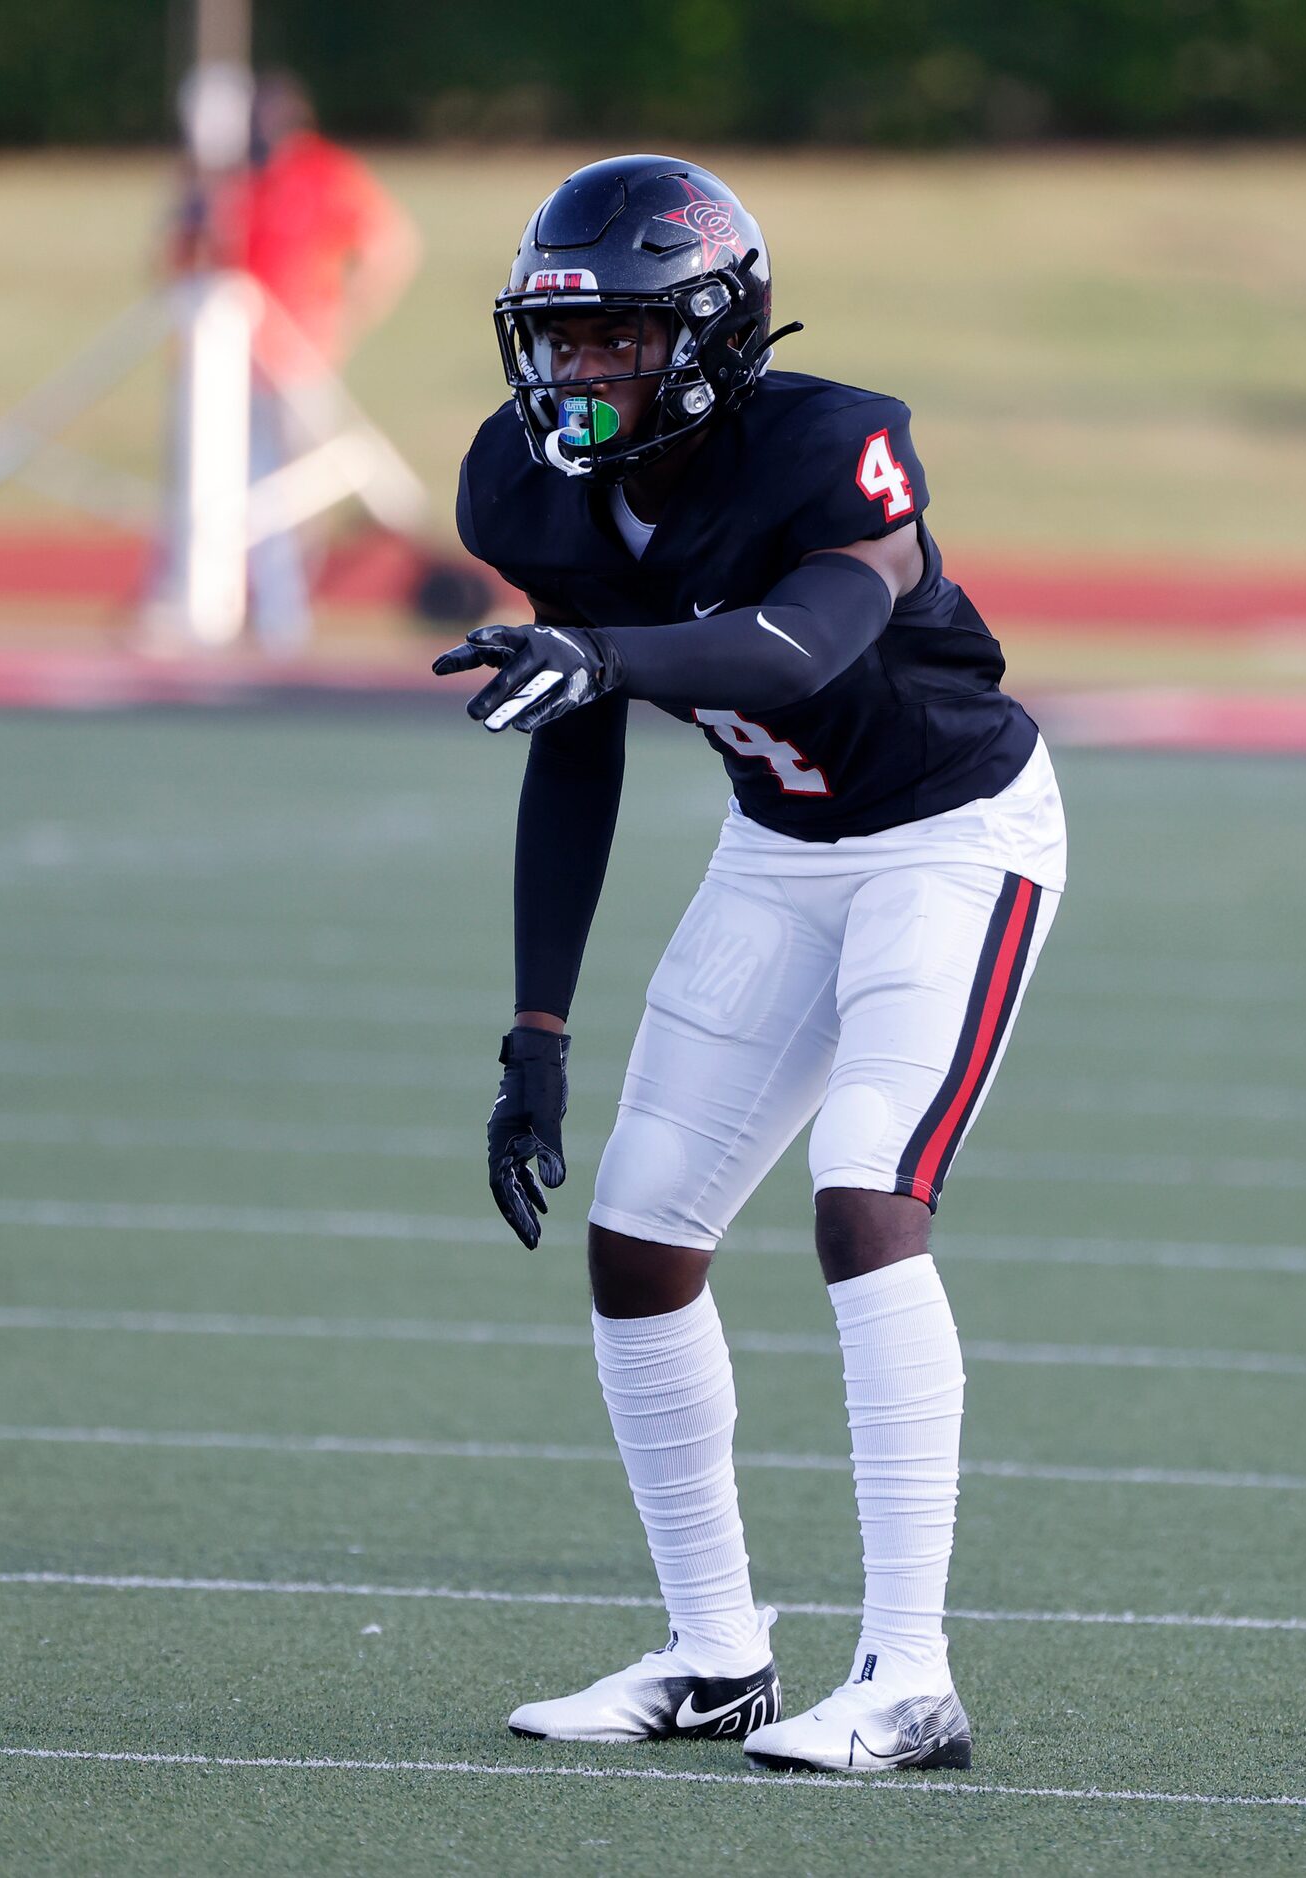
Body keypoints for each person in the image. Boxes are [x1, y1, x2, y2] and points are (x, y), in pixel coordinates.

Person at [432, 155, 1065, 1774]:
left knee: (865, 1193)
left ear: (709, 333)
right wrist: (533, 1029)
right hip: (778, 852)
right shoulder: (525, 484)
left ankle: (910, 1672)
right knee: (639, 1232)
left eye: (618, 341)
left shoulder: (827, 443)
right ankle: (718, 1654)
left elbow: (805, 642)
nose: (578, 374)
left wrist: (604, 653)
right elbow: (571, 743)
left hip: (950, 838)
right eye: (560, 341)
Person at [170, 70, 420, 646]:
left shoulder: (322, 171)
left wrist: (348, 313)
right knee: (231, 475)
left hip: (298, 352)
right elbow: (183, 260)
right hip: (229, 358)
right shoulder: (230, 180)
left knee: (291, 482)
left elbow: (389, 244)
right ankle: (259, 602)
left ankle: (282, 605)